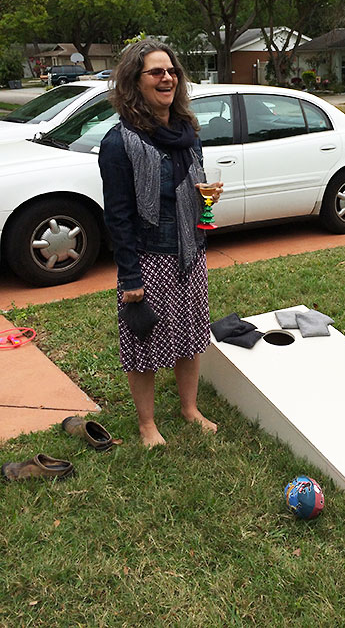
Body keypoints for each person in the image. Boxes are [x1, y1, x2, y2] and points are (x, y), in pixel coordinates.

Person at [99, 39, 221, 446]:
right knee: (144, 342)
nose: (166, 77)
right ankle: (147, 424)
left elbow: (188, 186)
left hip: (189, 252)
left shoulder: (187, 133)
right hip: (148, 257)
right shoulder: (120, 143)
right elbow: (117, 216)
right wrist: (130, 277)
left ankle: (189, 409)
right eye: (156, 72)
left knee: (189, 334)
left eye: (171, 71)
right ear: (136, 81)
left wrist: (204, 195)